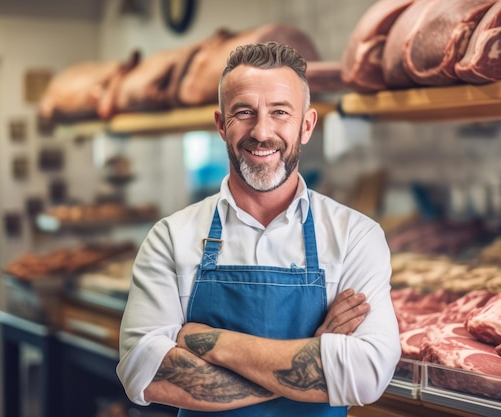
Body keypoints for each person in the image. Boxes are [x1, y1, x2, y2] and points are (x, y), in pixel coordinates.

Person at [117, 41, 401, 416]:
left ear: (307, 125)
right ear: (221, 125)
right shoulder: (171, 237)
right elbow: (144, 371)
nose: (262, 131)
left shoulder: (355, 235)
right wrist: (312, 361)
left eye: (280, 112)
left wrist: (205, 341)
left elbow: (366, 376)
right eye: (244, 112)